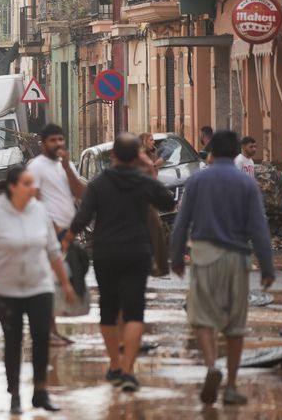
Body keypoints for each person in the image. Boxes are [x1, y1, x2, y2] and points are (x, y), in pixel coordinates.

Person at [170, 130, 275, 407]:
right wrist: (267, 267)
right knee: (235, 324)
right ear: (235, 152)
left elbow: (182, 222)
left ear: (212, 153)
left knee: (203, 316)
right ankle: (230, 385)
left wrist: (177, 257)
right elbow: (259, 227)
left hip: (204, 255)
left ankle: (210, 365)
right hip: (238, 259)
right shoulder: (246, 183)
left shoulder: (197, 181)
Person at [70, 133, 175, 393]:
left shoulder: (98, 184)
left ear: (113, 156)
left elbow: (82, 219)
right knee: (134, 311)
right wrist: (148, 166)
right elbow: (167, 201)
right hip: (137, 253)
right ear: (135, 156)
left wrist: (64, 242)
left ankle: (115, 365)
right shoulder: (143, 182)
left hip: (106, 254)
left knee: (108, 309)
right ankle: (128, 371)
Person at [0, 165, 78, 415]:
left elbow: (53, 251)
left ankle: (40, 392)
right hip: (5, 289)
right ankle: (15, 394)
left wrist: (65, 284)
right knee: (13, 340)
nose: (34, 188)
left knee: (41, 338)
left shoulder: (40, 211)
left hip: (39, 286)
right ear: (13, 187)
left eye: (34, 183)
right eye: (28, 184)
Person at [25, 123, 85, 346]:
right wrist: (52, 228)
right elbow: (35, 200)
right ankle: (45, 331)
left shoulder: (65, 166)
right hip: (49, 233)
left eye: (60, 139)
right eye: (53, 140)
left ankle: (53, 330)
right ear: (43, 144)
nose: (58, 144)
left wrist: (68, 168)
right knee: (47, 283)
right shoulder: (36, 167)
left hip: (68, 232)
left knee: (60, 283)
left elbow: (80, 193)